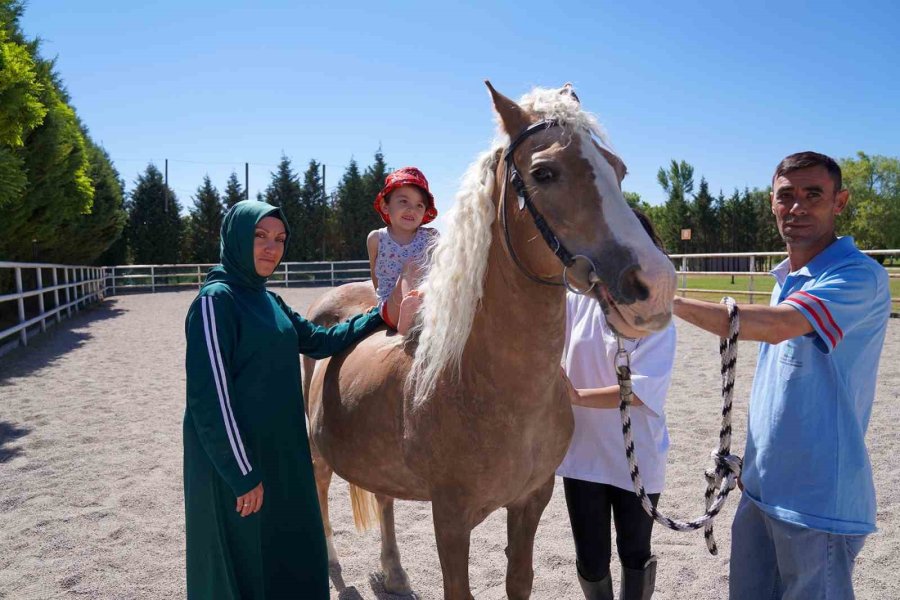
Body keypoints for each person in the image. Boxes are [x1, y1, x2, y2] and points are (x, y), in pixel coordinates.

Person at [672, 152, 891, 599]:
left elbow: (775, 326)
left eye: (814, 194)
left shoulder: (858, 276)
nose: (797, 207)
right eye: (786, 196)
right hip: (760, 489)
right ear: (771, 203)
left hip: (815, 502)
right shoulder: (786, 278)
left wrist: (661, 301)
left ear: (840, 202)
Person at [183, 200, 384, 599]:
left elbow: (319, 340)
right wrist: (241, 473)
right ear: (236, 237)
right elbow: (210, 399)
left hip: (280, 452)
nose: (271, 248)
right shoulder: (215, 302)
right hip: (234, 461)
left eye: (279, 239)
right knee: (240, 557)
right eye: (259, 236)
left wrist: (380, 315)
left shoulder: (268, 300)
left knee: (285, 547)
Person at [558, 209, 676, 600]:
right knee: (590, 559)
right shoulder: (579, 304)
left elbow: (642, 391)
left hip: (636, 454)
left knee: (634, 553)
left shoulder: (657, 315)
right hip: (583, 454)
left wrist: (576, 397)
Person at [367, 166, 438, 334]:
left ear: (424, 212)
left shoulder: (430, 237)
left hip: (427, 302)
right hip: (392, 308)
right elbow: (375, 274)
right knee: (413, 265)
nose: (411, 209)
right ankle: (409, 310)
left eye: (419, 205)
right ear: (386, 207)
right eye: (403, 201)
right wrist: (378, 303)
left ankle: (419, 303)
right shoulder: (377, 238)